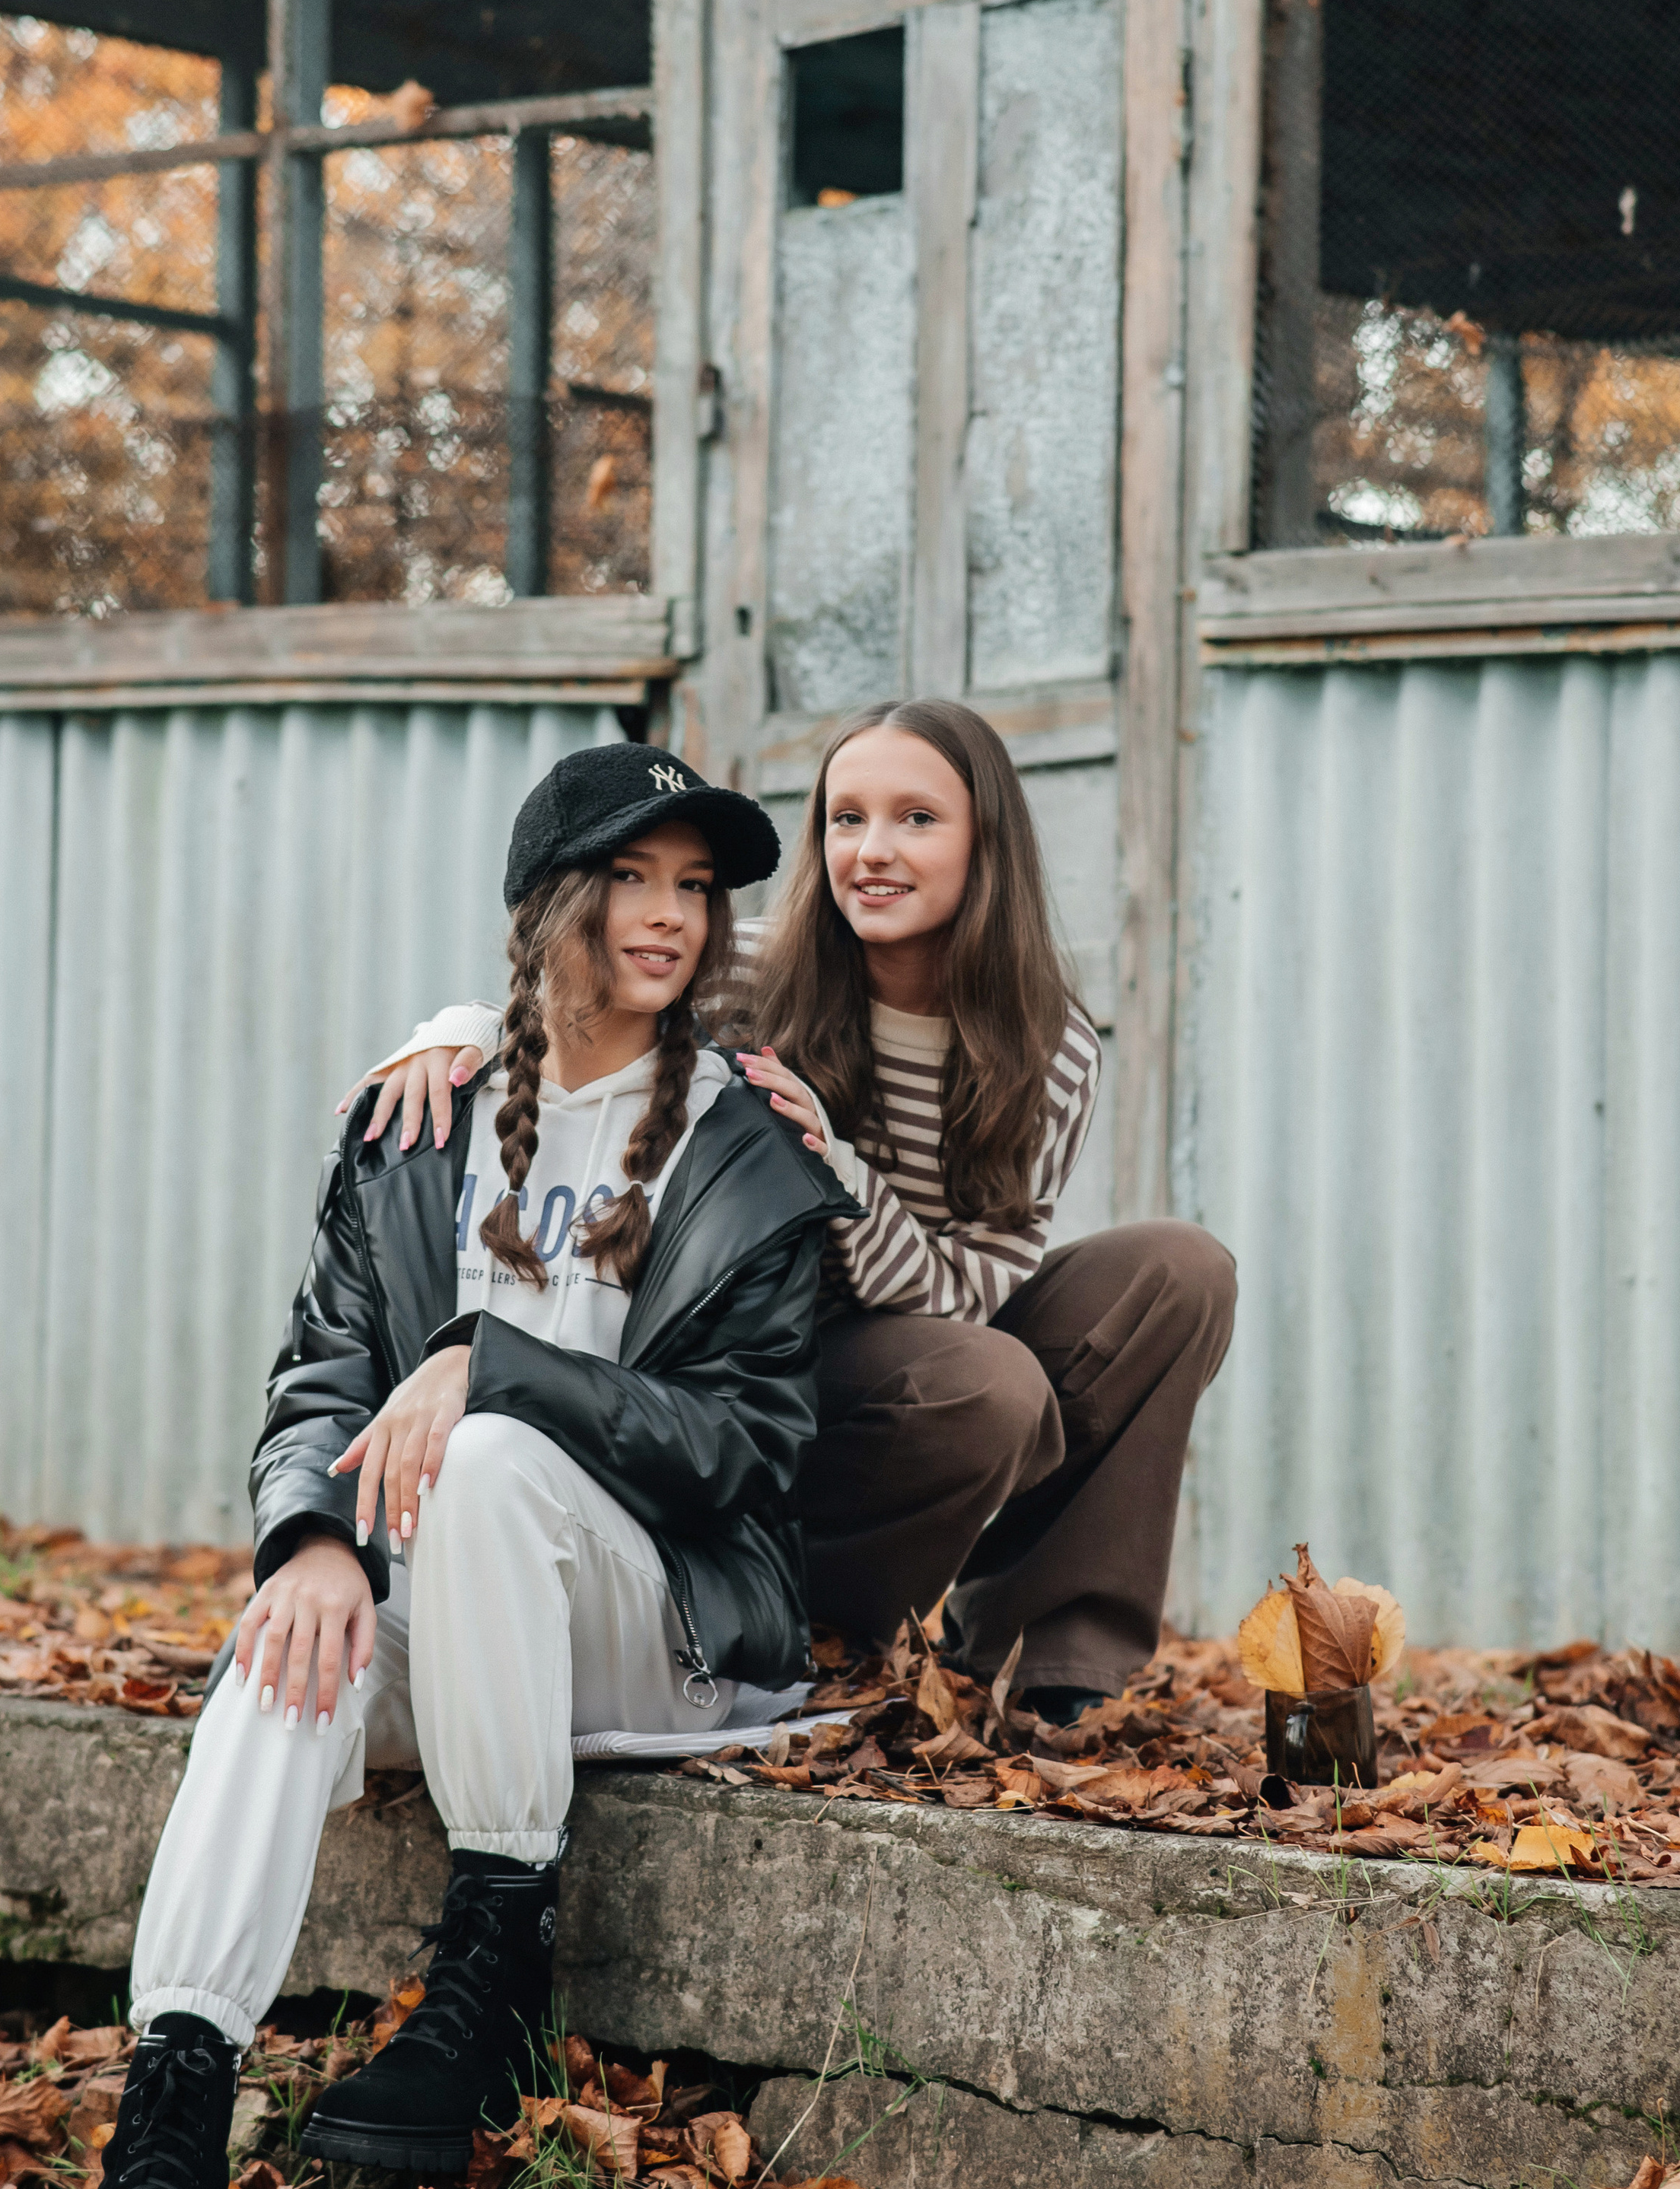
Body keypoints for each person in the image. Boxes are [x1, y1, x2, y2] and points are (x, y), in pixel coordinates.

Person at [93, 743, 856, 2189]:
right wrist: (308, 1535)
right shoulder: (420, 1119)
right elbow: (319, 1375)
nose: (667, 919)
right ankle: (172, 2094)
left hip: (662, 1624)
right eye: (630, 879)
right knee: (287, 1644)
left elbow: (746, 1449)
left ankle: (489, 1970)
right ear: (543, 905)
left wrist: (492, 1364)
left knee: (498, 1456)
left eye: (695, 891)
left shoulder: (741, 1148)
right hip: (458, 1629)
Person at [351, 700, 1236, 1729]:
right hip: (724, 1369)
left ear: (986, 841)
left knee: (1178, 1270)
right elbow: (571, 994)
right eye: (844, 818)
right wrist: (450, 1034)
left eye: (916, 819)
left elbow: (971, 1291)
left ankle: (1052, 1655)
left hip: (906, 1334)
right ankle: (820, 1631)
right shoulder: (744, 967)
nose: (871, 849)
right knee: (987, 1389)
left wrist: (839, 1169)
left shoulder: (1054, 1048)